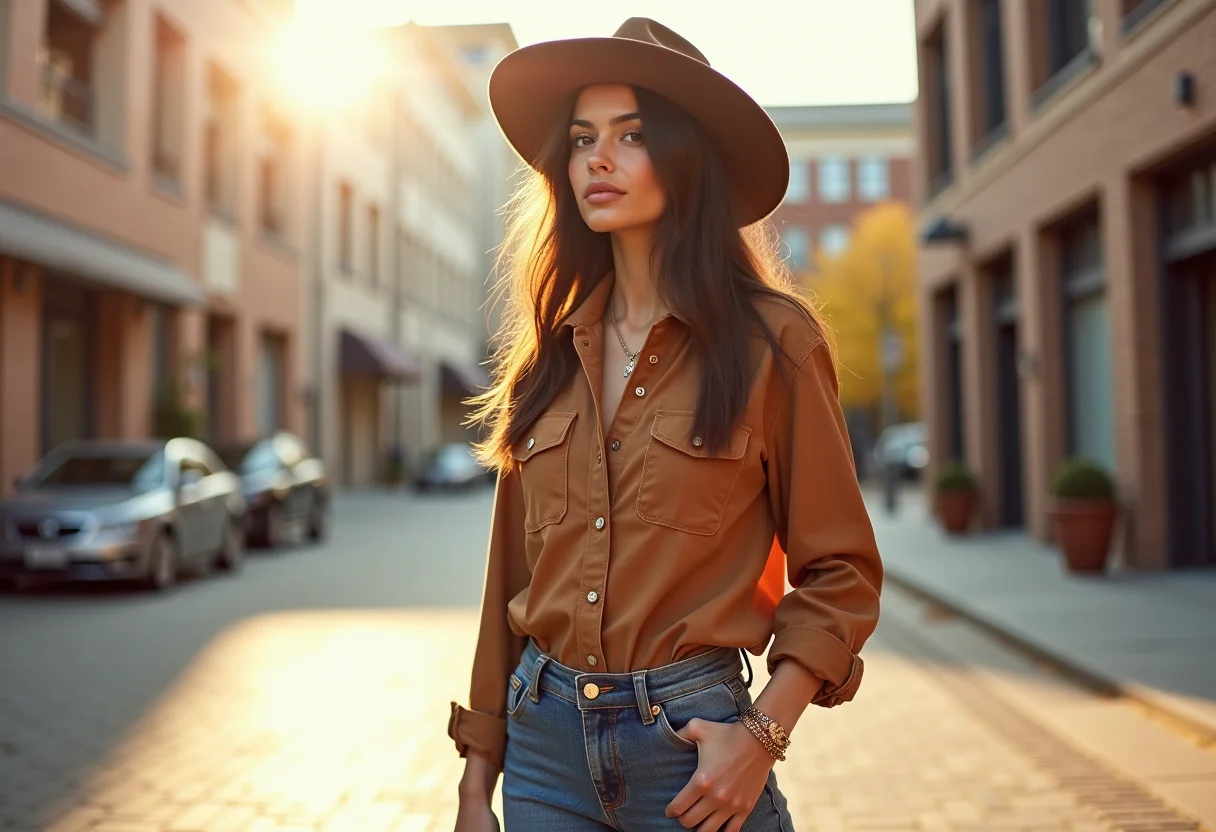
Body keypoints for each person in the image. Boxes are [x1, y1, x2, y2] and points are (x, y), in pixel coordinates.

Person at [450, 18, 883, 832]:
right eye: (581, 139)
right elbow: (508, 579)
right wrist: (480, 776)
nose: (597, 159)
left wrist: (760, 737)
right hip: (541, 752)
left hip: (691, 750)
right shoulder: (550, 353)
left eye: (632, 135)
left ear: (687, 159)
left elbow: (843, 574)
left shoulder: (774, 345)